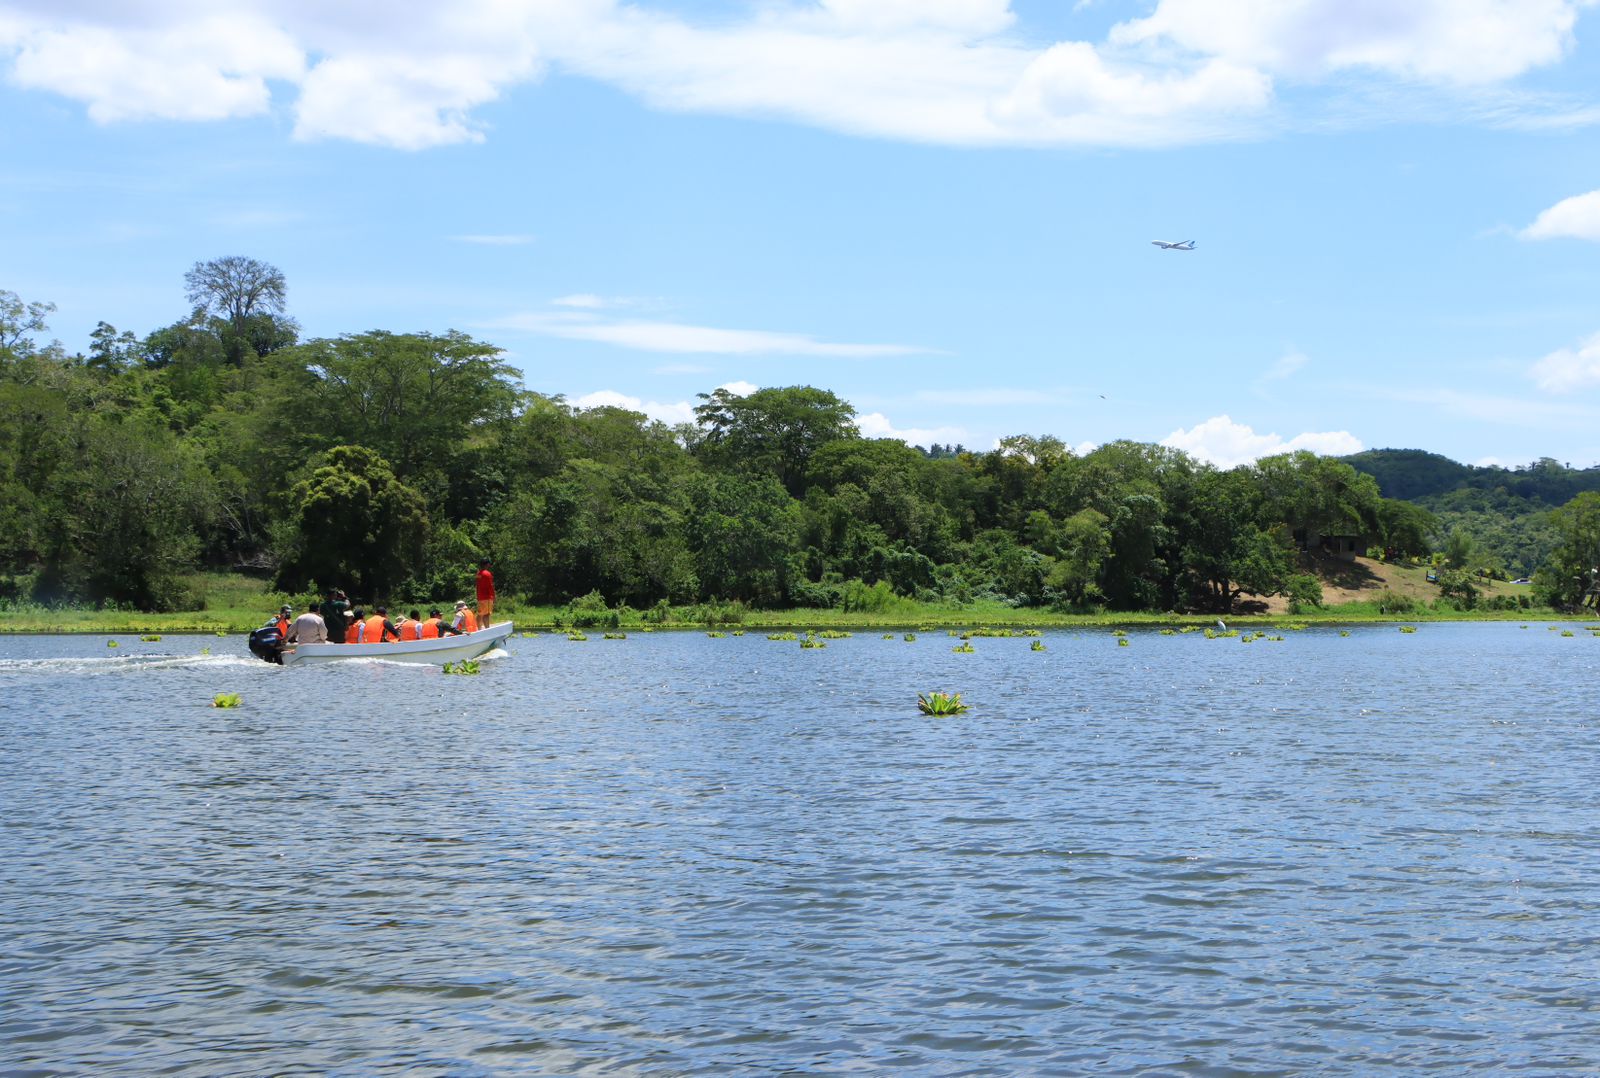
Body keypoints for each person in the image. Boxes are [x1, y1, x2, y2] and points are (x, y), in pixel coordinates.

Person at [475, 559, 496, 629]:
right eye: (489, 564)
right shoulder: (487, 574)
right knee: (486, 614)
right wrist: (493, 596)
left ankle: (478, 629)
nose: (489, 565)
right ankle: (487, 630)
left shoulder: (478, 574)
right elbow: (491, 586)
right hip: (487, 597)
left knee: (480, 614)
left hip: (480, 597)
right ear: (486, 564)